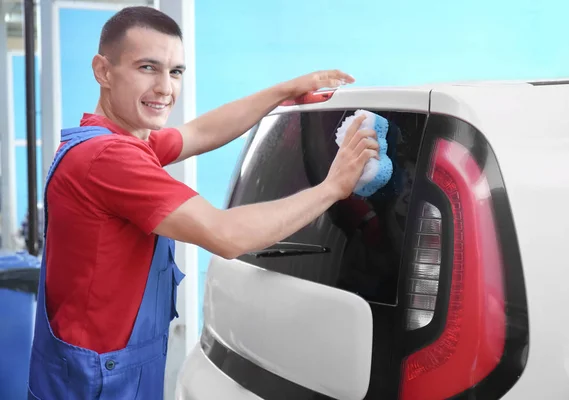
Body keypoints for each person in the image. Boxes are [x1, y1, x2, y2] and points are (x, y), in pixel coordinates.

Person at [27, 6, 379, 400]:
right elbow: (226, 235)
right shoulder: (110, 159)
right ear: (103, 71)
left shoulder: (113, 140)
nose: (165, 88)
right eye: (148, 67)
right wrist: (332, 187)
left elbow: (199, 132)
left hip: (92, 372)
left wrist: (283, 91)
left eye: (175, 71)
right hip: (98, 384)